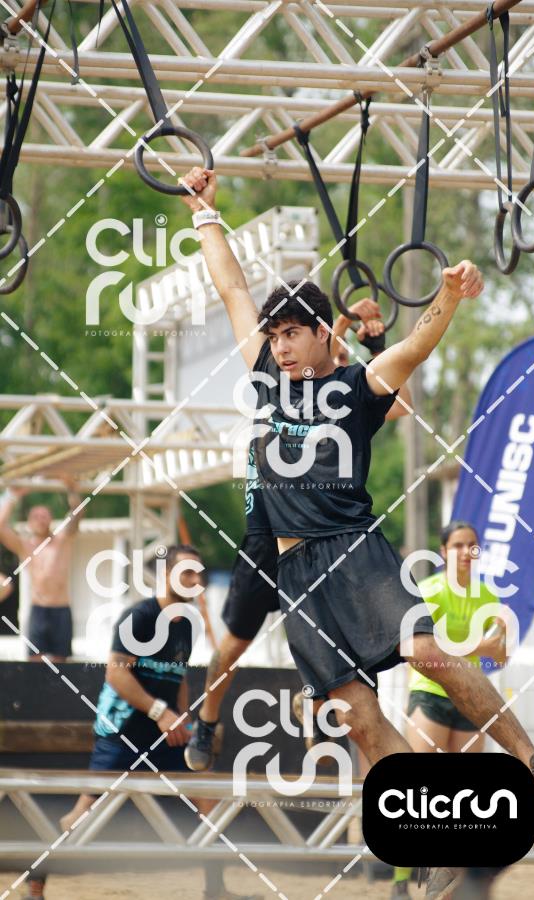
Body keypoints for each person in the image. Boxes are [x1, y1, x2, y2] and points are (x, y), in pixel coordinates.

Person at [179, 167, 534, 899]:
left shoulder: (356, 387)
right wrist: (204, 214)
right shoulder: (265, 379)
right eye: (274, 336)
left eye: (292, 333)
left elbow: (416, 349)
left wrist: (449, 296)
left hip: (354, 553)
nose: (280, 346)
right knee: (363, 721)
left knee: (428, 652)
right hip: (295, 577)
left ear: (321, 335)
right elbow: (233, 288)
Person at [185, 299, 412, 771]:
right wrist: (344, 317)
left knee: (344, 653)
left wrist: (375, 343)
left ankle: (316, 702)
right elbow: (305, 340)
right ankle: (207, 719)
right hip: (267, 537)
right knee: (234, 644)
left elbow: (400, 403)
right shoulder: (281, 381)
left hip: (323, 537)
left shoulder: (346, 392)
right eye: (280, 337)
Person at [58, 544, 255, 900]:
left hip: (166, 736)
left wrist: (183, 718)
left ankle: (216, 890)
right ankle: (35, 884)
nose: (196, 581)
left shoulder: (188, 623)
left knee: (208, 798)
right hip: (121, 733)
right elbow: (116, 674)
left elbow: (178, 677)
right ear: (166, 575)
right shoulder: (140, 616)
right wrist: (160, 713)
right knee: (82, 815)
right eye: (187, 573)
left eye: (199, 574)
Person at [392, 520, 508, 898]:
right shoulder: (427, 590)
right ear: (443, 552)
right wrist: (483, 646)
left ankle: (451, 883)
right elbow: (428, 649)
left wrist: (497, 644)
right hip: (429, 693)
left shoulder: (488, 596)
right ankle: (400, 881)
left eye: (471, 544)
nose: (465, 551)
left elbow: (500, 656)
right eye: (457, 545)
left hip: (470, 698)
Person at [0, 479, 84, 662]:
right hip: (39, 610)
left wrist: (72, 490)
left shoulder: (62, 540)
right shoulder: (25, 545)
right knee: (35, 663)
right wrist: (12, 496)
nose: (40, 520)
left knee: (60, 663)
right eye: (36, 516)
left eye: (44, 516)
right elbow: (1, 526)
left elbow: (77, 515)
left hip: (61, 608)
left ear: (51, 519)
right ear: (29, 522)